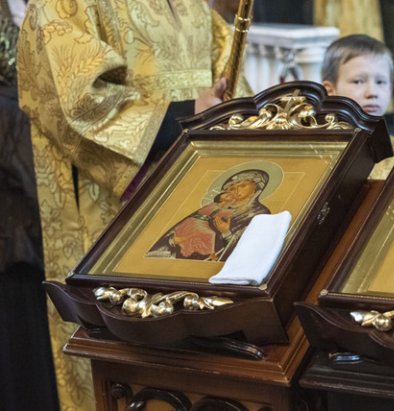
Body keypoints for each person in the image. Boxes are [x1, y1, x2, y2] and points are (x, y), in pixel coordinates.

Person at [16, 1, 245, 409]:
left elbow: (227, 73)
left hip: (195, 200)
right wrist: (185, 115)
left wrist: (222, 108)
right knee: (123, 364)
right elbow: (73, 100)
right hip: (110, 209)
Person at [320, 33, 394, 179]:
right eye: (358, 82)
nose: (372, 93)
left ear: (390, 89)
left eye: (380, 82)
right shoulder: (317, 152)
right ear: (330, 90)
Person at [148, 169, 271, 261]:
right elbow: (184, 226)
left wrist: (225, 232)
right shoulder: (211, 207)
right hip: (175, 254)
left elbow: (247, 249)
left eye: (243, 185)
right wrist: (173, 240)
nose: (236, 189)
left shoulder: (258, 213)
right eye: (232, 187)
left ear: (256, 189)